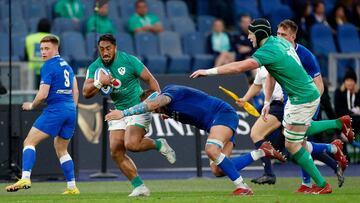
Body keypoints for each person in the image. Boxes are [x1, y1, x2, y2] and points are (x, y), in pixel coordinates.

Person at [191, 18, 335, 194]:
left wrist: (209, 71)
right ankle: (335, 136)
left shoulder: (268, 50)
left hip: (301, 98)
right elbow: (272, 75)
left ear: (258, 34)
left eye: (251, 33)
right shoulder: (278, 42)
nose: (249, 37)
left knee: (293, 145)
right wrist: (267, 102)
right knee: (297, 140)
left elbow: (239, 67)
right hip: (297, 97)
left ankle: (321, 182)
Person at [104, 84, 286, 196]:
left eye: (154, 109)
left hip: (222, 114)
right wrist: (165, 113)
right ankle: (262, 152)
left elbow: (154, 103)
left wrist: (124, 113)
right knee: (218, 170)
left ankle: (243, 188)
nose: (155, 112)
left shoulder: (170, 92)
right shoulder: (167, 108)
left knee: (211, 150)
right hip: (216, 124)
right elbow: (163, 107)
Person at [82, 34, 175, 197]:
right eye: (102, 49)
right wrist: (99, 82)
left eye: (108, 48)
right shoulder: (95, 67)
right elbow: (86, 93)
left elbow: (151, 80)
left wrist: (162, 106)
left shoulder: (129, 60)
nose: (105, 52)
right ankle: (140, 187)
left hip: (138, 108)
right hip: (119, 112)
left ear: (115, 48)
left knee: (131, 144)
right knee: (116, 151)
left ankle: (159, 144)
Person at [238, 66, 349, 189]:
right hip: (281, 105)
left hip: (284, 104)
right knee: (299, 145)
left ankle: (269, 173)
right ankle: (333, 152)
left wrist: (214, 71)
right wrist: (245, 99)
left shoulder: (278, 59)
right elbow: (257, 85)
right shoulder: (262, 65)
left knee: (257, 134)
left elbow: (297, 79)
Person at [5, 35, 80, 194]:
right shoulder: (67, 65)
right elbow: (76, 90)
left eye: (47, 49)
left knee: (29, 142)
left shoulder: (48, 66)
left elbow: (43, 94)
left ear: (56, 49)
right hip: (70, 110)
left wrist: (32, 105)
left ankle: (25, 177)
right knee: (61, 149)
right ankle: (72, 187)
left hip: (56, 109)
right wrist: (71, 108)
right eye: (41, 49)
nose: (43, 52)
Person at [25, 18, 54, 87]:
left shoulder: (29, 38)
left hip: (32, 72)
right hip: (49, 71)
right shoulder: (55, 39)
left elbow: (26, 56)